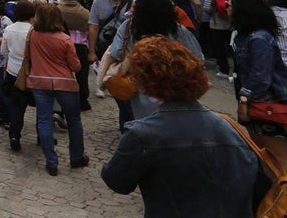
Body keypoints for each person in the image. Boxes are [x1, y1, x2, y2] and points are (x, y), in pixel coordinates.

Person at [102, 37, 259, 217]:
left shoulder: (142, 134)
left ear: (146, 81)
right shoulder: (229, 129)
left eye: (135, 75)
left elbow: (117, 181)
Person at [102, 0, 203, 124]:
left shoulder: (128, 27)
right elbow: (197, 58)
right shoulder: (178, 30)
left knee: (141, 126)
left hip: (141, 88)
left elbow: (117, 52)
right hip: (174, 88)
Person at [26, 4, 86, 176]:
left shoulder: (33, 35)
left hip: (39, 81)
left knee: (44, 120)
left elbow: (27, 56)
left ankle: (51, 161)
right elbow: (75, 66)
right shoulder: (64, 39)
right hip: (64, 82)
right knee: (74, 120)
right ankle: (76, 156)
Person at [232, 0, 287, 137]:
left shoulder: (259, 39)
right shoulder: (244, 36)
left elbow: (260, 76)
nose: (227, 9)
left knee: (271, 148)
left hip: (267, 102)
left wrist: (244, 100)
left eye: (230, 6)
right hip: (257, 99)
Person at [0, 0, 38, 151]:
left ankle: (14, 135)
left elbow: (3, 51)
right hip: (33, 72)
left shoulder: (9, 29)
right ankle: (42, 136)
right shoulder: (34, 30)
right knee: (40, 107)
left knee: (17, 107)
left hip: (14, 72)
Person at [57, 0, 92, 110]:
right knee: (82, 74)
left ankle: (64, 100)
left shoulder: (57, 11)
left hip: (62, 44)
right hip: (80, 45)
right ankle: (83, 100)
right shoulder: (84, 12)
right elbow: (89, 29)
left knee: (62, 72)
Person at [208, 0, 235, 80]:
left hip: (217, 24)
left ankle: (224, 70)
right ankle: (236, 71)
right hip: (231, 23)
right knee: (232, 46)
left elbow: (207, 8)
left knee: (219, 48)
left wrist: (214, 11)